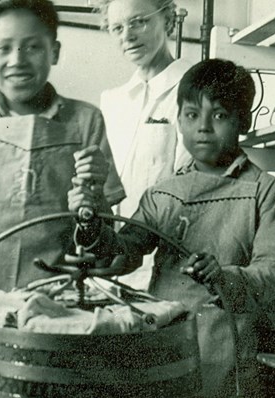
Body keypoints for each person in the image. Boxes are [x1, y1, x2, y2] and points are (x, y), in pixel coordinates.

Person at [69, 58, 275, 398]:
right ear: (177, 119)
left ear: (244, 122)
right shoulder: (162, 194)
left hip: (228, 357)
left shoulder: (264, 191)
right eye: (191, 115)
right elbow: (119, 256)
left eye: (219, 116)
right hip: (164, 354)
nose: (203, 128)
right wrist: (89, 220)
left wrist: (227, 275)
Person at [0, 0, 123, 398]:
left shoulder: (85, 121)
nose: (17, 60)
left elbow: (104, 242)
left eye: (33, 47)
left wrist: (93, 198)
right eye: (4, 48)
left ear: (55, 51)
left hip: (53, 312)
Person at [98, 0, 194, 289]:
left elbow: (188, 185)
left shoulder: (193, 90)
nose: (126, 35)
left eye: (138, 22)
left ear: (168, 20)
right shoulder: (112, 101)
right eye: (117, 27)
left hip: (168, 261)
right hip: (113, 262)